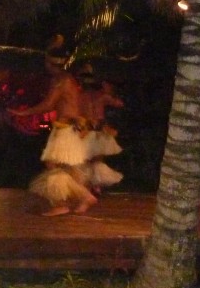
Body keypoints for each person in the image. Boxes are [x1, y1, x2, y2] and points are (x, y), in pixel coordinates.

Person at [10, 36, 96, 216]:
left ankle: (69, 201)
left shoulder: (60, 80)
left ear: (50, 63)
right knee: (68, 169)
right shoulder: (67, 79)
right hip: (72, 127)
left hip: (66, 128)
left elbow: (48, 104)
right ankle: (80, 200)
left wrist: (23, 112)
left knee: (53, 165)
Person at [77, 65, 125, 194]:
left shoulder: (79, 96)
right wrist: (108, 90)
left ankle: (89, 186)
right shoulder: (101, 96)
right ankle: (95, 186)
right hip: (98, 130)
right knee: (96, 160)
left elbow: (76, 114)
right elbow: (119, 103)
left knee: (86, 160)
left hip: (88, 130)